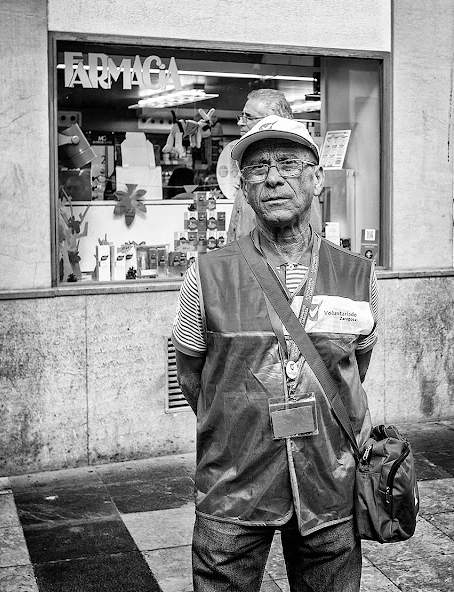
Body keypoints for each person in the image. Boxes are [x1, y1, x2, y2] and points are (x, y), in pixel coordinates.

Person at [172, 115, 379, 592]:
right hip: (233, 483)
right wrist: (238, 419)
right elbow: (191, 378)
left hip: (329, 478)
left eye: (288, 162)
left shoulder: (356, 275)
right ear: (243, 189)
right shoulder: (207, 275)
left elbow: (354, 369)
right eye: (258, 167)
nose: (273, 177)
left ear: (315, 178)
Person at [227, 88, 322, 242]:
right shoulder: (248, 173)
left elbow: (311, 240)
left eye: (248, 117)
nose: (240, 122)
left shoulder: (303, 176)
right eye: (258, 166)